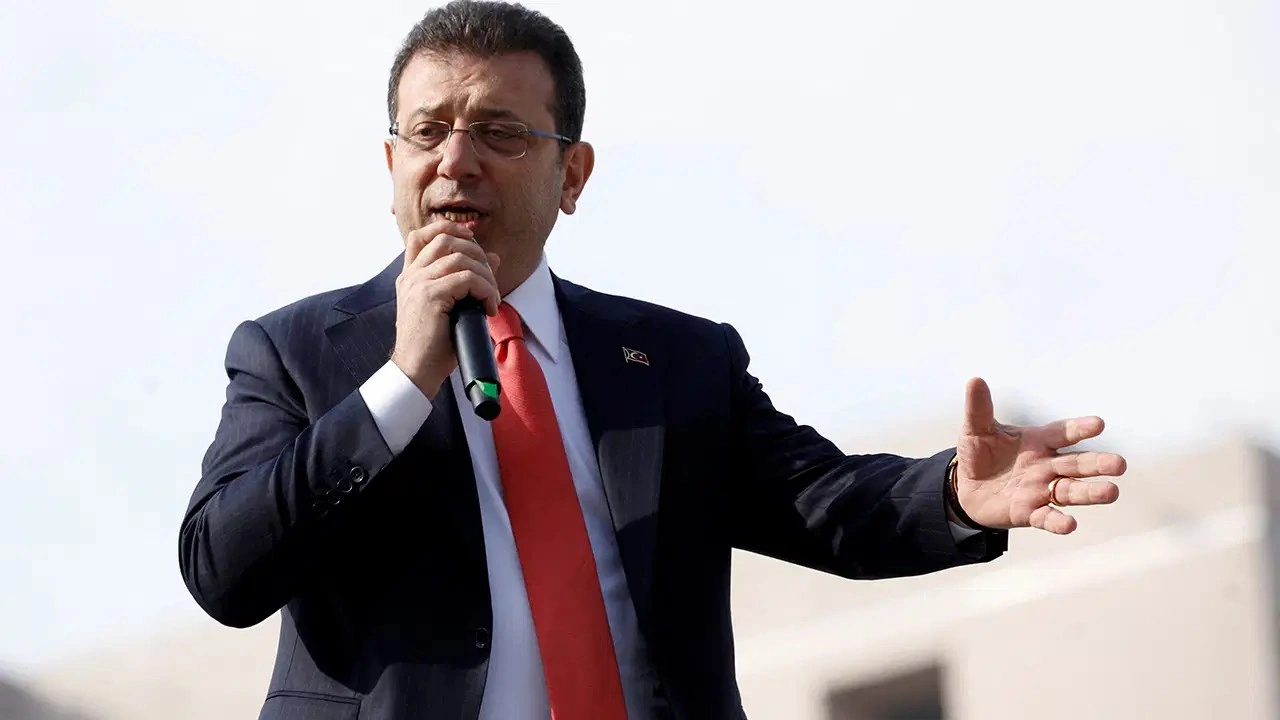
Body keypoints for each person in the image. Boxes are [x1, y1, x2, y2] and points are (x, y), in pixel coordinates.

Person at [177, 2, 1127, 718]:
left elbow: (828, 504)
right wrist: (401, 382)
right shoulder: (295, 352)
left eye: (500, 132)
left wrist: (957, 493)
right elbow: (224, 570)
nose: (456, 159)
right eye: (427, 131)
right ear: (392, 166)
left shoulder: (676, 360)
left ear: (572, 174)